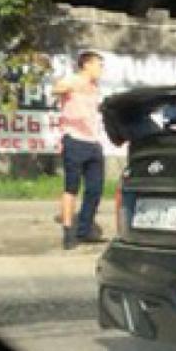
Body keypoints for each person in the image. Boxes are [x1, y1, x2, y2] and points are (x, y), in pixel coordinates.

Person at [52, 51, 106, 250]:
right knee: (71, 187)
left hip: (93, 142)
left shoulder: (95, 87)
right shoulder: (73, 80)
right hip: (74, 139)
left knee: (95, 188)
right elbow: (56, 89)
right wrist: (69, 87)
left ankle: (85, 229)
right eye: (98, 65)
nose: (101, 70)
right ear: (87, 65)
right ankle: (68, 232)